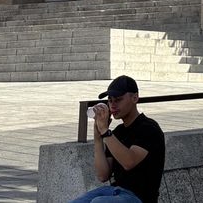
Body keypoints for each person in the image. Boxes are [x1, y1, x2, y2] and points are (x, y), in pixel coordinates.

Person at [70, 75, 166, 203]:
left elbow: (129, 161)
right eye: (110, 101)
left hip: (139, 198)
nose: (113, 106)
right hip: (115, 191)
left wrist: (105, 132)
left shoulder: (149, 128)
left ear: (135, 98)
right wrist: (98, 137)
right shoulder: (117, 133)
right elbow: (103, 175)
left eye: (118, 100)